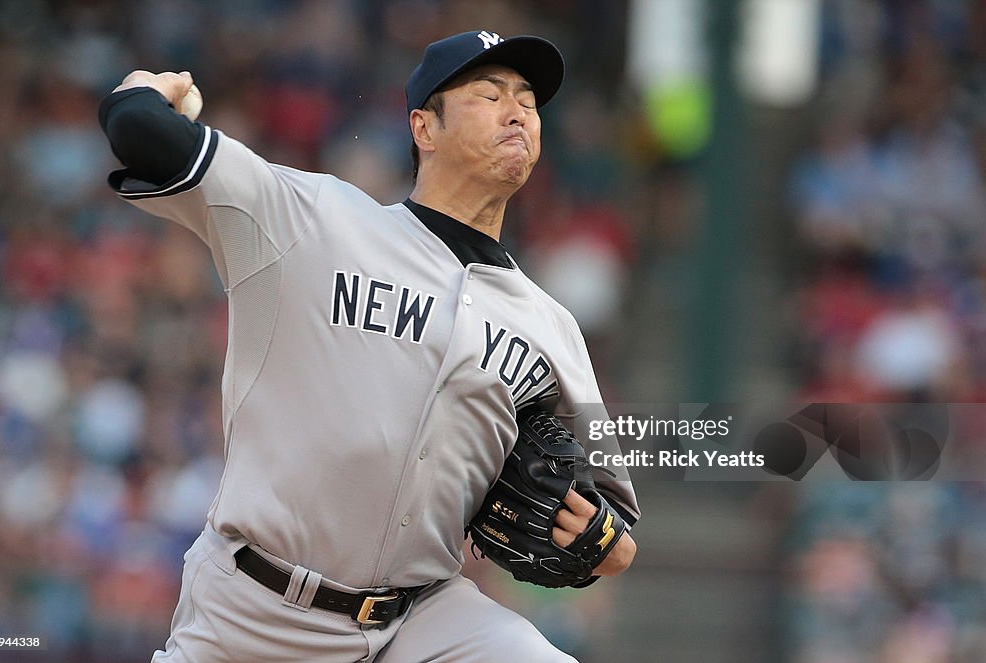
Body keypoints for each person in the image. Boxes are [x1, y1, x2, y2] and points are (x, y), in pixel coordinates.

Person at [99, 29, 639, 662]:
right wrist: (141, 92)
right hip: (253, 613)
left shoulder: (551, 326)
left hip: (420, 622)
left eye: (527, 99)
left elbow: (616, 529)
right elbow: (140, 130)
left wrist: (600, 541)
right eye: (488, 94)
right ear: (423, 128)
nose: (517, 109)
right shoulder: (314, 221)